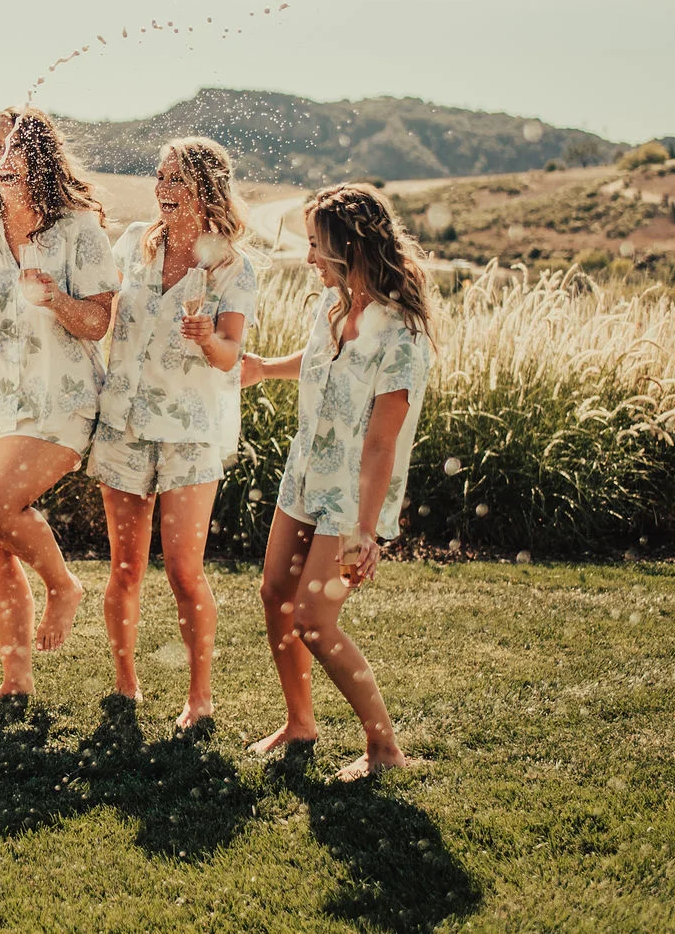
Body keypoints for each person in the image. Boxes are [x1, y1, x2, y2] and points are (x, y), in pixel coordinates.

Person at [0, 106, 117, 706]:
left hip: (55, 401)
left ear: (41, 159)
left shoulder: (77, 228)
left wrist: (57, 300)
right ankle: (15, 682)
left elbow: (99, 321)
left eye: (18, 147)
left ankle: (63, 586)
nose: (5, 158)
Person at [240, 182, 434, 780]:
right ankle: (301, 723)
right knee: (275, 595)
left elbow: (381, 442)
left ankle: (384, 747)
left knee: (315, 621)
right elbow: (320, 363)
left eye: (316, 248)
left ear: (349, 249)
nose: (308, 260)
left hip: (353, 499)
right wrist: (263, 370)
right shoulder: (332, 310)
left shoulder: (400, 333)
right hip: (306, 474)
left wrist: (364, 531)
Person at [90, 137, 260, 731]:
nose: (164, 190)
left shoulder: (233, 266)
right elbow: (99, 315)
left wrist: (207, 337)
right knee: (125, 567)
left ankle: (200, 697)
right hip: (125, 424)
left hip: (189, 430)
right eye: (161, 177)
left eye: (179, 180)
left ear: (207, 188)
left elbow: (229, 356)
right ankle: (125, 685)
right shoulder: (133, 243)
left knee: (185, 571)